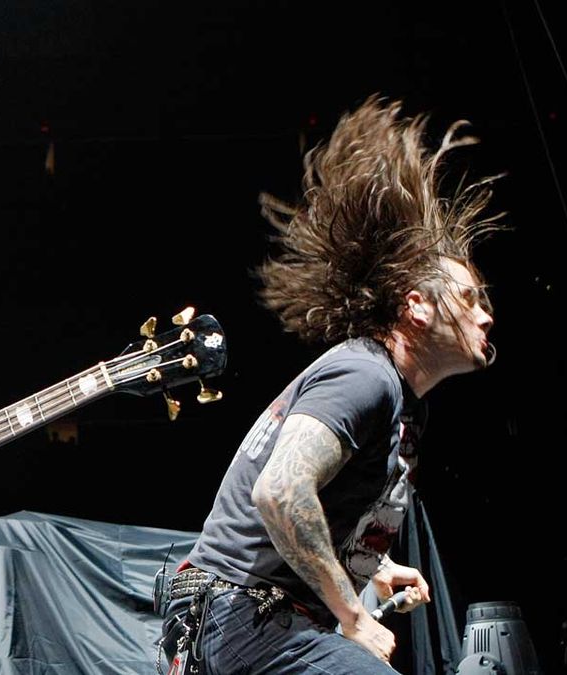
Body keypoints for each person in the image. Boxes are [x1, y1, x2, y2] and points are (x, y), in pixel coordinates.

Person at [159, 96, 500, 673]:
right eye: (468, 299)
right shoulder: (365, 374)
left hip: (258, 617)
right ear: (416, 308)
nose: (486, 315)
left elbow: (326, 512)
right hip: (239, 612)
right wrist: (354, 614)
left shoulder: (404, 407)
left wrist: (378, 570)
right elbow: (280, 492)